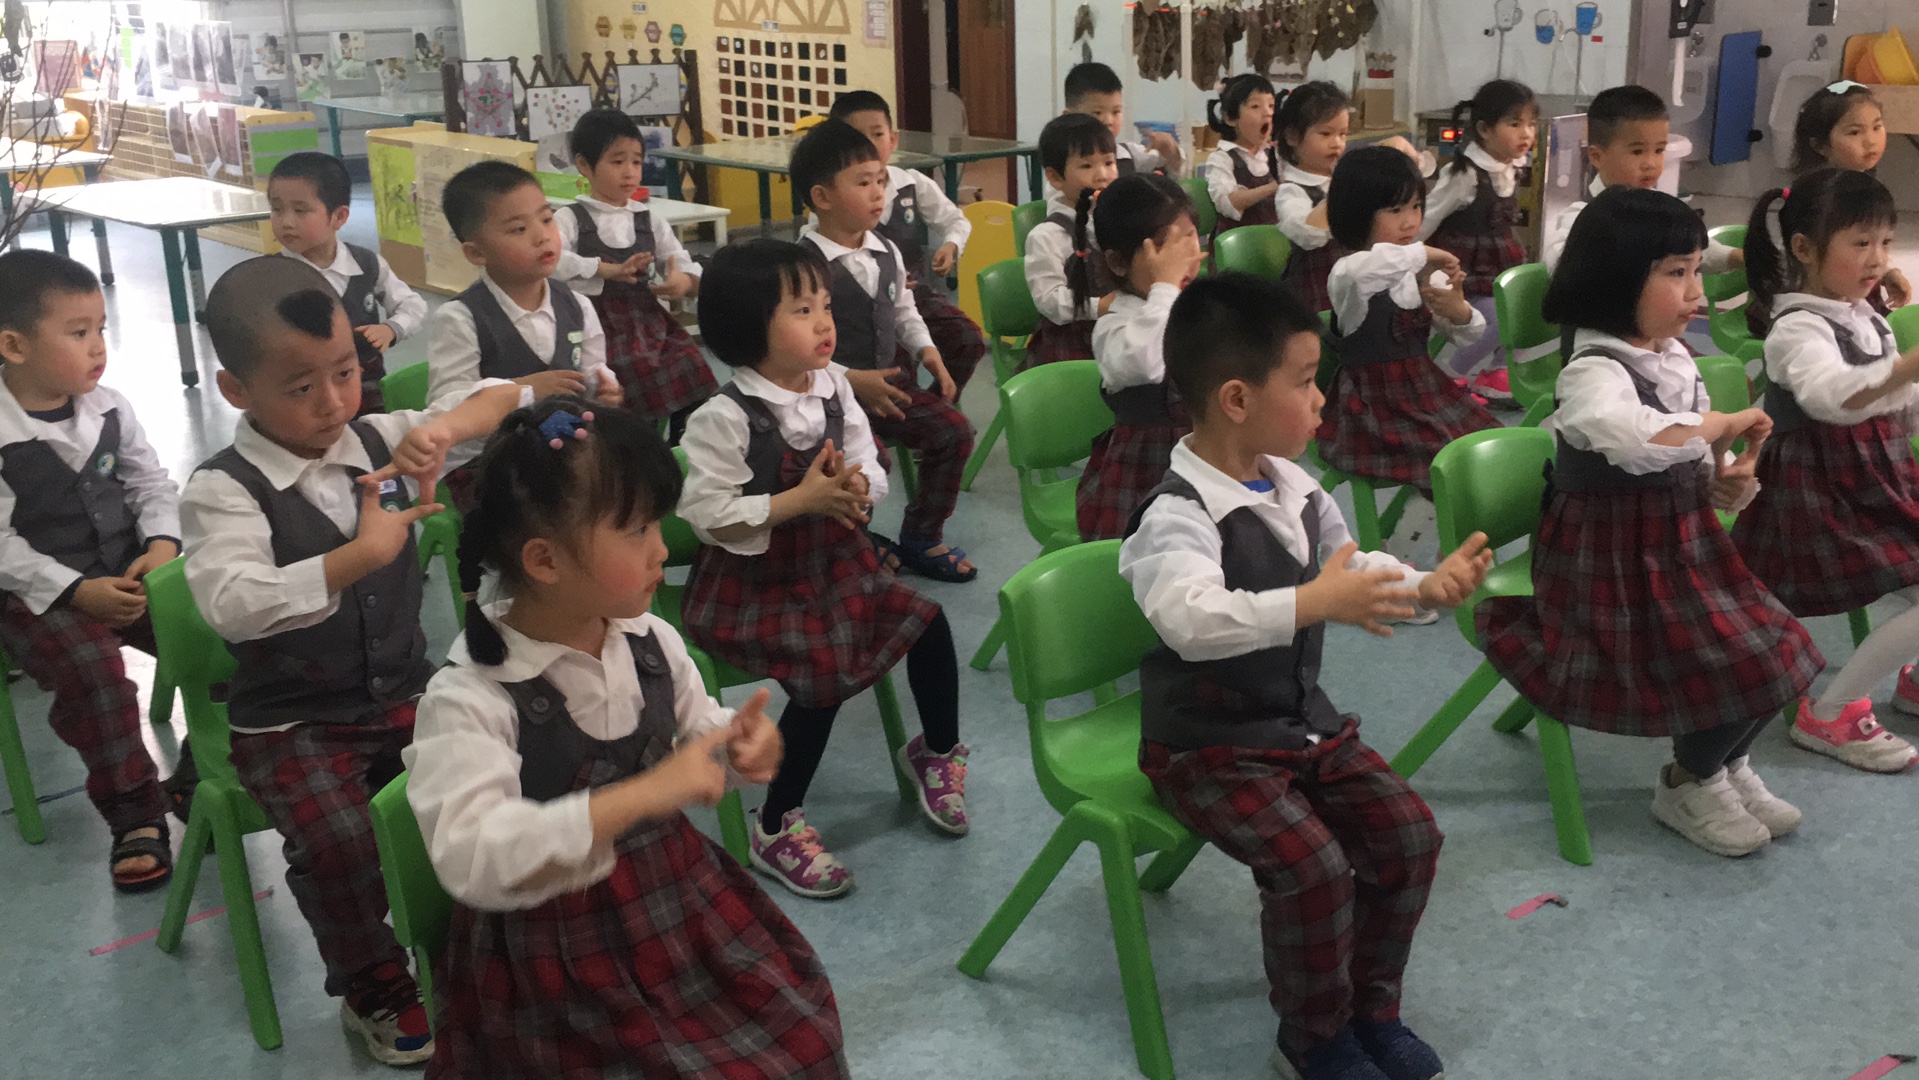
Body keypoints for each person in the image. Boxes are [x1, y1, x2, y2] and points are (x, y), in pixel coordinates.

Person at [406, 396, 847, 1079]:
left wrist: (734, 749)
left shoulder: (648, 640)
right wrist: (645, 794)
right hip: (555, 961)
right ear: (545, 561)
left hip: (677, 908)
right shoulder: (472, 694)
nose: (661, 549)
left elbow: (697, 737)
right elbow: (473, 854)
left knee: (802, 1035)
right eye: (637, 530)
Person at [1122, 270, 1490, 1080]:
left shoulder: (1292, 483)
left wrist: (1423, 586)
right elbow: (1189, 620)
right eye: (1303, 381)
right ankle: (1312, 1039)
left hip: (1298, 726)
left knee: (1409, 835)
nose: (1322, 399)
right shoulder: (1175, 513)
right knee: (1311, 868)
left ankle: (1370, 1010)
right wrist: (1311, 603)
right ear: (1236, 399)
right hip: (1204, 748)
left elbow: (1348, 563)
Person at [180, 256, 527, 1065]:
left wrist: (466, 423)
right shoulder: (223, 490)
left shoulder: (376, 436)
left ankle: (475, 942)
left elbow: (496, 399)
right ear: (236, 390)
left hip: (405, 690)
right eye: (301, 387)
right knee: (338, 840)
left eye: (344, 373)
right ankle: (373, 983)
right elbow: (232, 604)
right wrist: (357, 559)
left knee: (495, 777)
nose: (333, 402)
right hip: (292, 721)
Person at [1476, 187, 1824, 858]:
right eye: (1675, 272)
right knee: (1750, 657)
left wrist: (1725, 481)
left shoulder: (1672, 356)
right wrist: (1718, 424)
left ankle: (1722, 765)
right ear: (1616, 279)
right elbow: (1633, 437)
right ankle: (1688, 780)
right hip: (1608, 564)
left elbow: (1691, 462)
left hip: (1679, 542)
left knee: (1783, 648)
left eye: (1696, 269)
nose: (1695, 289)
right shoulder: (1592, 371)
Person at [679, 239, 970, 899]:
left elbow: (869, 461)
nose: (823, 323)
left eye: (825, 306)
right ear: (748, 328)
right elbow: (707, 517)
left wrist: (861, 486)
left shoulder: (834, 386)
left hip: (836, 562)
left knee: (928, 620)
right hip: (756, 581)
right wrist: (799, 501)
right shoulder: (723, 418)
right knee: (823, 672)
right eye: (801, 310)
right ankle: (775, 823)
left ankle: (937, 751)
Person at [0, 250, 181, 893]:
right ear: (14, 346)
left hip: (127, 572)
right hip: (35, 594)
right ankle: (135, 813)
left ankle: (198, 780)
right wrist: (76, 591)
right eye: (78, 332)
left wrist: (162, 543)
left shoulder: (109, 407)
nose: (98, 346)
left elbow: (151, 484)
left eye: (101, 328)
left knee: (222, 627)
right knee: (95, 674)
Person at [1730, 168, 1919, 774]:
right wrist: (1903, 370)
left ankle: (1912, 679)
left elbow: (1895, 406)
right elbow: (1831, 398)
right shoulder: (1798, 327)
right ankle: (1830, 713)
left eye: (1885, 242)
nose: (1878, 259)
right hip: (1814, 496)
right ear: (1805, 249)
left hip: (1873, 479)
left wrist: (1906, 386)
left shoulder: (1862, 313)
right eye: (1860, 243)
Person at [790, 119, 979, 583]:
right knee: (867, 463)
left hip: (887, 390)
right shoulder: (801, 266)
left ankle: (921, 536)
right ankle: (858, 544)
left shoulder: (886, 250)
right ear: (822, 197)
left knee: (954, 432)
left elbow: (902, 309)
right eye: (863, 183)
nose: (879, 194)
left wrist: (929, 351)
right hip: (824, 400)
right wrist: (851, 380)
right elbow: (793, 354)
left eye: (881, 181)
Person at [426, 160, 621, 509]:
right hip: (494, 466)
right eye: (518, 229)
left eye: (547, 219)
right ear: (476, 252)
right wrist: (521, 391)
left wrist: (604, 390)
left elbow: (593, 370)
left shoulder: (577, 306)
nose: (542, 236)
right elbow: (448, 410)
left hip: (566, 452)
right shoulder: (460, 318)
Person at [1320, 146, 1496, 506]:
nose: (1410, 222)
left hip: (1425, 391)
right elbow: (1370, 268)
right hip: (1372, 408)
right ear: (1357, 212)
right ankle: (1458, 533)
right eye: (1395, 210)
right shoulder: (1349, 272)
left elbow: (1468, 335)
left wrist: (1458, 311)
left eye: (1416, 206)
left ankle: (1465, 531)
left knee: (1487, 446)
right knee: (1449, 460)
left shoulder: (1416, 268)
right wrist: (1426, 253)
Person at [554, 109, 715, 441]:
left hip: (649, 324)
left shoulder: (648, 219)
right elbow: (552, 261)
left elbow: (680, 261)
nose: (629, 172)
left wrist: (682, 282)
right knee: (630, 373)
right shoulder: (570, 218)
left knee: (691, 363)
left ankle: (681, 443)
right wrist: (604, 269)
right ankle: (636, 444)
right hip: (595, 328)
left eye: (637, 162)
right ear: (584, 165)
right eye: (617, 162)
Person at [827, 90, 987, 394]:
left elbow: (955, 220)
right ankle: (916, 409)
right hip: (869, 309)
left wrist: (951, 245)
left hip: (917, 296)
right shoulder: (835, 201)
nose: (869, 145)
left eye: (877, 134)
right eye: (857, 137)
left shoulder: (912, 182)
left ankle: (939, 400)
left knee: (968, 340)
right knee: (897, 366)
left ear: (893, 139)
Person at [1075, 173, 1204, 541]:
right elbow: (1148, 362)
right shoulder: (1113, 327)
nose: (1182, 258)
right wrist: (1165, 287)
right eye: (1163, 247)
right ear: (1118, 262)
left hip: (1205, 460)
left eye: (1189, 238)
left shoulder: (1195, 306)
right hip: (1146, 477)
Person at [267, 151, 428, 415]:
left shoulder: (367, 264)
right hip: (307, 404)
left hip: (368, 395)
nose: (286, 222)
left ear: (339, 217)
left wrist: (391, 329)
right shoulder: (269, 276)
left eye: (300, 210)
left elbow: (412, 304)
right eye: (277, 209)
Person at [1420, 78, 1538, 404]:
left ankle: (1497, 372)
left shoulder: (1510, 166)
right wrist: (1406, 262)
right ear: (1485, 130)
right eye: (1515, 124)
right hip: (1457, 273)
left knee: (1525, 303)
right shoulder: (1464, 175)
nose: (1527, 133)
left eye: (1531, 124)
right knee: (1496, 316)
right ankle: (1448, 374)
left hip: (1494, 267)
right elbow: (1424, 221)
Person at [1541, 84, 1742, 276]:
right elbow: (1560, 264)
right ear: (1597, 157)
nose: (1651, 163)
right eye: (1637, 151)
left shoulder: (1660, 210)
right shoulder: (1581, 216)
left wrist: (1738, 257)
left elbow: (1694, 247)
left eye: (1659, 150)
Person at [1790, 81, 1910, 312]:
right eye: (1855, 132)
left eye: (1877, 127)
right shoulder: (1821, 198)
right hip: (1826, 307)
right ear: (1820, 145)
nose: (1871, 140)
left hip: (1856, 301)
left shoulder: (1863, 186)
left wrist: (1887, 273)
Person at [1024, 112, 1120, 367]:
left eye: (1109, 162)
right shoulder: (1047, 236)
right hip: (1069, 348)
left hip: (1115, 336)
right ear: (1055, 178)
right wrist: (1099, 306)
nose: (1102, 175)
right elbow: (1049, 300)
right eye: (1087, 166)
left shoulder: (1117, 220)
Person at [1269, 80, 1351, 312]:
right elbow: (1307, 234)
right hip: (1316, 303)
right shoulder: (1292, 191)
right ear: (1292, 137)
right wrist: (1343, 187)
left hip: (1350, 292)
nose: (1337, 144)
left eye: (1343, 134)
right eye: (1326, 133)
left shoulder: (1337, 182)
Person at [1063, 61, 1182, 177]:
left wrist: (1170, 149)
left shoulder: (1129, 155)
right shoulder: (1062, 161)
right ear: (1069, 117)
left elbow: (1178, 169)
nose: (1108, 121)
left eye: (1116, 112)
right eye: (1097, 113)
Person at [1203, 73, 1282, 235]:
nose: (1267, 113)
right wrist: (1272, 188)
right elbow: (1228, 203)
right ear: (1230, 118)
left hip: (1273, 242)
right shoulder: (1222, 158)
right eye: (1255, 106)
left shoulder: (1272, 155)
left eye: (1271, 106)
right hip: (1238, 246)